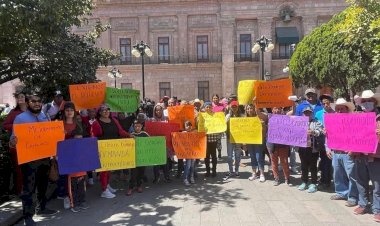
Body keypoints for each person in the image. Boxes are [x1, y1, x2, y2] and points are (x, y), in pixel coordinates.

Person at [10, 93, 58, 226]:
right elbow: (13, 140)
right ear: (28, 102)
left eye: (39, 101)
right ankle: (28, 217)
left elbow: (49, 136)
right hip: (29, 160)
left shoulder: (45, 116)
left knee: (43, 185)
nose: (37, 103)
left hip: (44, 157)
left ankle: (41, 208)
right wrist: (13, 141)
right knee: (29, 189)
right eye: (33, 101)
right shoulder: (20, 118)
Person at [91, 104, 131, 199]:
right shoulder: (96, 123)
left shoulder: (114, 120)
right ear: (99, 112)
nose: (106, 111)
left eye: (107, 109)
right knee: (104, 171)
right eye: (103, 110)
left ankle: (107, 185)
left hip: (112, 149)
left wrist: (129, 135)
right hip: (103, 150)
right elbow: (93, 137)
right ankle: (104, 190)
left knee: (109, 169)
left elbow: (120, 131)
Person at [352, 90, 380, 222]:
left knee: (377, 184)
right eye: (364, 101)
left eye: (369, 100)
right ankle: (363, 204)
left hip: (375, 156)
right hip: (360, 156)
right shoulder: (356, 117)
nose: (366, 103)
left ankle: (377, 209)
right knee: (361, 181)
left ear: (374, 102)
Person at [326, 98, 358, 207]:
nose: (339, 111)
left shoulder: (354, 121)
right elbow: (328, 137)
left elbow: (357, 137)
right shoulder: (332, 121)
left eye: (342, 109)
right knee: (337, 174)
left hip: (348, 153)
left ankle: (353, 197)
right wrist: (328, 148)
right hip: (336, 152)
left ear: (347, 109)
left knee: (352, 176)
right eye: (338, 109)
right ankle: (341, 192)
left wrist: (353, 149)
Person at [62, 102, 89, 212]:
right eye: (67, 110)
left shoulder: (79, 123)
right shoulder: (60, 124)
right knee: (72, 181)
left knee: (81, 180)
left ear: (74, 112)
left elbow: (86, 139)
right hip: (68, 157)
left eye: (71, 110)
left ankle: (82, 201)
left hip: (80, 155)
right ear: (64, 112)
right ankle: (74, 203)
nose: (69, 112)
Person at [2, 91, 27, 195]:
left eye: (22, 96)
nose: (20, 98)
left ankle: (29, 189)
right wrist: (17, 126)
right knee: (19, 170)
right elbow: (5, 125)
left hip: (30, 146)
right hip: (16, 146)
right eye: (18, 97)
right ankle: (20, 190)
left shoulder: (32, 111)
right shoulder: (13, 112)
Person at [297, 107, 323, 193]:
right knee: (303, 166)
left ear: (312, 114)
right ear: (303, 114)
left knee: (313, 166)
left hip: (313, 148)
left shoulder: (316, 122)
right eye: (305, 113)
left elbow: (320, 131)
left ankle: (313, 183)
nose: (307, 114)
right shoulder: (298, 122)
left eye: (309, 113)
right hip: (302, 148)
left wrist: (313, 132)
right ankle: (304, 181)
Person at [267, 107, 291, 186]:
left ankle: (287, 178)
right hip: (272, 145)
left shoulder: (286, 118)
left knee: (284, 162)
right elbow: (258, 113)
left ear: (281, 110)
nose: (276, 110)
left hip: (283, 145)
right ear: (272, 110)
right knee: (274, 162)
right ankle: (276, 178)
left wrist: (293, 103)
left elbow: (293, 111)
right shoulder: (269, 117)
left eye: (278, 109)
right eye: (275, 109)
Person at [315, 94, 334, 189]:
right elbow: (314, 124)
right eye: (324, 103)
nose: (326, 105)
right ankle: (323, 179)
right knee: (323, 161)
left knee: (328, 162)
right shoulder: (318, 114)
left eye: (328, 103)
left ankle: (327, 181)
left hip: (332, 143)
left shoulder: (335, 113)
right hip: (321, 142)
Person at [149, 104, 171, 183]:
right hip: (155, 144)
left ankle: (166, 176)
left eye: (160, 110)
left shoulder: (166, 119)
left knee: (165, 161)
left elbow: (169, 130)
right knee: (156, 162)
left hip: (164, 144)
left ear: (162, 110)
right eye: (157, 110)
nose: (158, 111)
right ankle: (156, 177)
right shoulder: (151, 120)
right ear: (154, 111)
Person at [245, 103, 267, 182]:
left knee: (259, 157)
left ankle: (261, 174)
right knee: (252, 157)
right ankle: (254, 173)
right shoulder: (244, 119)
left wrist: (263, 125)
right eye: (248, 109)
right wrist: (244, 143)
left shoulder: (258, 118)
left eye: (251, 108)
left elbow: (264, 132)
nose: (249, 110)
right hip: (250, 141)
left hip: (258, 141)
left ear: (254, 109)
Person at [127, 120, 149, 196]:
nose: (137, 127)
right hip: (134, 158)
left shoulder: (145, 134)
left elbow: (151, 142)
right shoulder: (131, 134)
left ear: (141, 126)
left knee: (141, 173)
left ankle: (139, 186)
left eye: (139, 126)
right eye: (135, 126)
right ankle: (130, 187)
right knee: (133, 174)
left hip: (143, 157)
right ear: (133, 127)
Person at [224, 100, 243, 180]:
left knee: (237, 155)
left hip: (238, 139)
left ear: (238, 107)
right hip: (229, 138)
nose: (234, 108)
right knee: (229, 156)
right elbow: (223, 128)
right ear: (230, 108)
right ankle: (230, 170)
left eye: (235, 106)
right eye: (232, 107)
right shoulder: (227, 116)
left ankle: (237, 170)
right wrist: (226, 122)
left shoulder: (242, 116)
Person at [202, 102, 221, 178]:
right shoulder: (202, 116)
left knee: (213, 156)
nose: (208, 108)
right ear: (204, 108)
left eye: (210, 107)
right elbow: (199, 124)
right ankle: (207, 171)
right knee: (206, 156)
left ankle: (214, 171)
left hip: (213, 138)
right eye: (207, 107)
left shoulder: (215, 115)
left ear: (212, 107)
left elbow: (219, 124)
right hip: (205, 139)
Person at [182, 120, 196, 186]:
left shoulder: (194, 132)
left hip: (193, 152)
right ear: (184, 127)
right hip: (187, 153)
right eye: (187, 125)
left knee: (192, 166)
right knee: (188, 165)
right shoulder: (183, 133)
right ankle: (185, 178)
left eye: (190, 125)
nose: (189, 127)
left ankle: (191, 177)